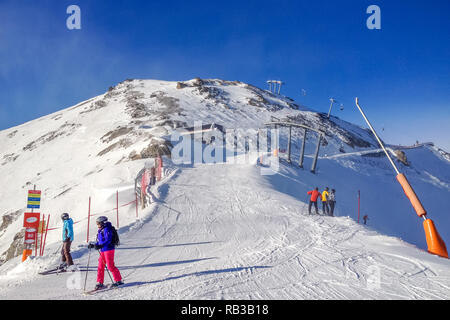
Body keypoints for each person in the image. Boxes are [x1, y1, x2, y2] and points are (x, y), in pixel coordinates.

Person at [88, 216, 123, 289]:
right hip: (103, 250)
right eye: (97, 224)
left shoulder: (107, 229)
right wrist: (94, 245)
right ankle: (100, 282)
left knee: (110, 266)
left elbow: (108, 240)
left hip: (109, 249)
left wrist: (101, 246)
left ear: (103, 223)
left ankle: (119, 280)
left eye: (98, 223)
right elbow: (100, 241)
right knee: (100, 266)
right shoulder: (101, 230)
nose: (97, 225)